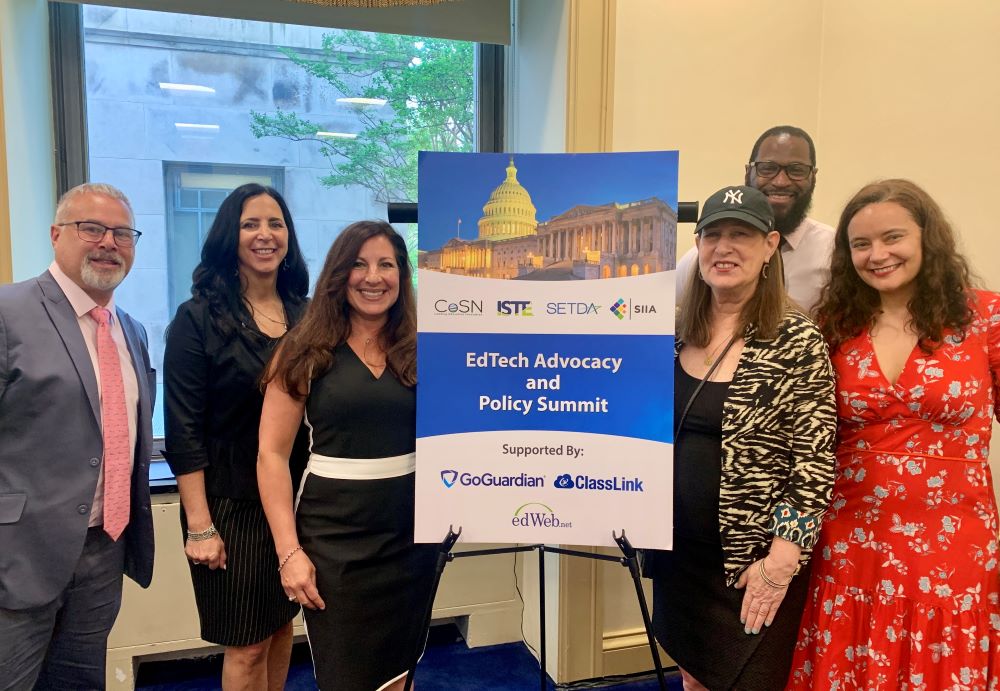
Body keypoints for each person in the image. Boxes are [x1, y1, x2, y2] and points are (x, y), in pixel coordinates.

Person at [788, 179, 1000, 688]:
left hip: (955, 543)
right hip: (853, 538)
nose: (877, 254)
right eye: (860, 244)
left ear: (929, 238)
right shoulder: (832, 326)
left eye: (892, 238)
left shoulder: (985, 318)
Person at [650, 186, 837, 690]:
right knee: (693, 677)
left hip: (751, 563)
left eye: (742, 235)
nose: (724, 248)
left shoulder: (797, 339)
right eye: (713, 235)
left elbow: (814, 464)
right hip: (680, 557)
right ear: (698, 244)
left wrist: (780, 563)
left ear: (770, 245)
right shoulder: (674, 332)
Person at [257, 220, 436, 691]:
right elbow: (271, 456)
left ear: (403, 275)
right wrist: (288, 552)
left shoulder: (425, 350)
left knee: (401, 671)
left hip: (411, 542)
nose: (373, 277)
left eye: (386, 265)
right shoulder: (301, 350)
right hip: (335, 543)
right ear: (339, 274)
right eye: (359, 264)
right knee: (347, 677)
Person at [0, 183, 155, 689]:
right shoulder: (9, 313)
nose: (109, 242)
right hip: (19, 556)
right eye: (92, 228)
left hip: (102, 552)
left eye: (122, 233)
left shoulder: (131, 330)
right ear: (55, 235)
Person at [163, 183, 309, 689]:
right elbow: (182, 429)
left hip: (296, 500)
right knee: (246, 644)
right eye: (251, 224)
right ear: (230, 235)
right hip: (229, 505)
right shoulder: (196, 319)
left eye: (276, 224)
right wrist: (199, 525)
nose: (265, 235)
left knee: (282, 625)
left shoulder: (307, 314)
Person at [676, 126, 835, 313]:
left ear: (813, 177)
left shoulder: (833, 249)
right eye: (767, 168)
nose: (780, 181)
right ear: (748, 173)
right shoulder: (700, 260)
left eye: (797, 170)